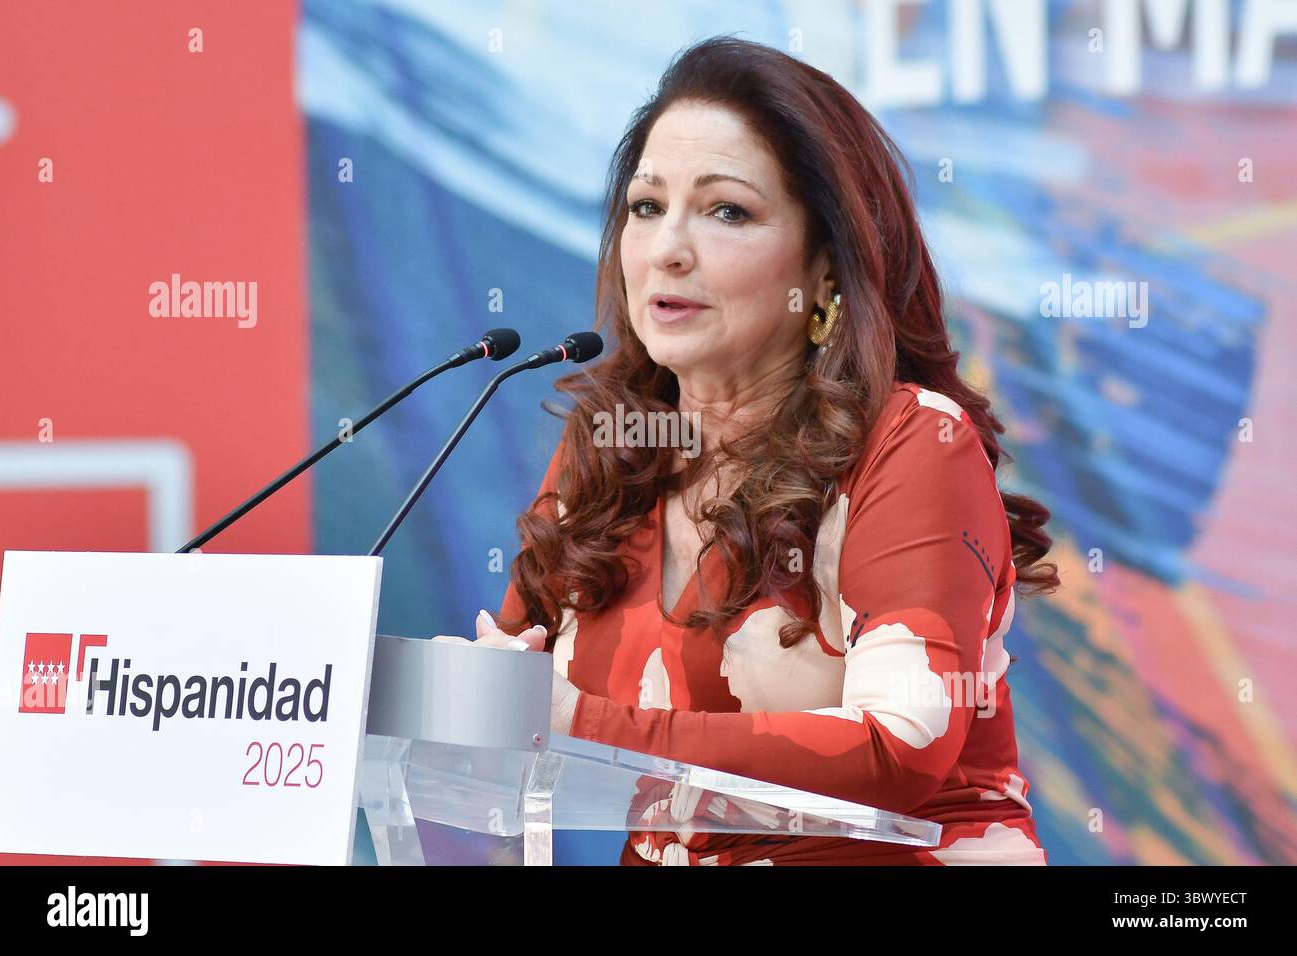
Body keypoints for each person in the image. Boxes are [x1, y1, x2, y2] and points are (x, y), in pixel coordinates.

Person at [436, 35, 1059, 866]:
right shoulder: (612, 450)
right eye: (647, 206)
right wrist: (461, 699)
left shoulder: (911, 442)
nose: (666, 249)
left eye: (726, 211)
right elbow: (510, 701)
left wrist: (574, 723)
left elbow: (899, 750)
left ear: (827, 266)